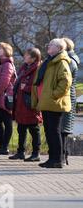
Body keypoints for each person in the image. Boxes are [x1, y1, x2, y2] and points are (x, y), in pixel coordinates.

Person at [32, 38, 72, 168]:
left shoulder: (61, 62)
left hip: (55, 103)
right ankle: (52, 158)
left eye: (51, 45)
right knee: (49, 131)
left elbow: (66, 82)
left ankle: (57, 160)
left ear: (59, 48)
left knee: (54, 131)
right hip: (47, 102)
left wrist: (53, 95)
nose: (48, 46)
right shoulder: (50, 61)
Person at [10, 48, 42, 161]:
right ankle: (20, 152)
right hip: (21, 102)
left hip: (30, 103)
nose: (24, 56)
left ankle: (36, 153)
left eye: (27, 55)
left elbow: (39, 86)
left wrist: (27, 88)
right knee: (21, 128)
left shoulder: (38, 68)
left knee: (34, 129)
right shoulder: (24, 67)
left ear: (34, 58)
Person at [61, 38, 80, 165]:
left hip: (66, 97)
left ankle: (63, 156)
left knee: (63, 129)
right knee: (63, 129)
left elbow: (65, 81)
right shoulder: (71, 59)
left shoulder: (70, 61)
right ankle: (63, 155)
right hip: (67, 96)